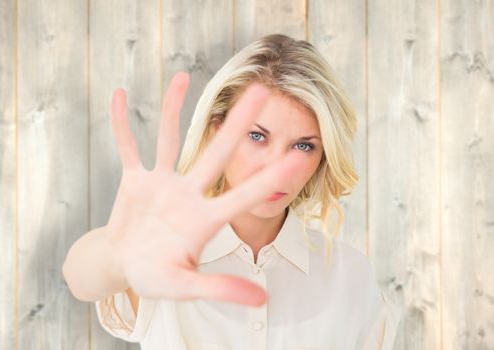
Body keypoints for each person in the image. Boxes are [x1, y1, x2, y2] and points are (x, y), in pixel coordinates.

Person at [62, 33, 401, 349]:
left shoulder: (351, 276)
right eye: (257, 136)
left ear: (323, 154)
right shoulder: (162, 250)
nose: (274, 169)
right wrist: (120, 256)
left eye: (302, 146)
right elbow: (80, 277)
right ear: (217, 130)